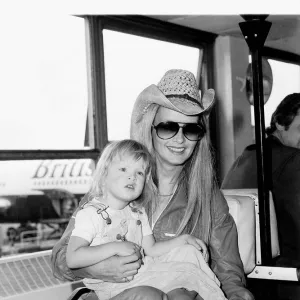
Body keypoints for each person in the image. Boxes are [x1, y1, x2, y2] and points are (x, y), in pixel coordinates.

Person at [52, 69, 254, 300]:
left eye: (191, 129)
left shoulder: (207, 196)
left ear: (200, 136)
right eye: (168, 127)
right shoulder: (117, 185)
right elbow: (60, 259)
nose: (180, 139)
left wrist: (238, 294)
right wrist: (95, 268)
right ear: (151, 128)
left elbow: (227, 268)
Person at [66, 139, 227, 300]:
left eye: (140, 173)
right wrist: (114, 247)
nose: (132, 177)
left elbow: (151, 249)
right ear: (104, 172)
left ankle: (197, 290)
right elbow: (73, 258)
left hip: (143, 272)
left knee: (189, 252)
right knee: (183, 277)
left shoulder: (137, 211)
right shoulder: (91, 213)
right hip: (113, 284)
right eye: (123, 169)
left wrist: (182, 240)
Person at [222, 93, 300, 300]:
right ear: (280, 123)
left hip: (248, 281)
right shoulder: (294, 160)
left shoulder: (243, 159)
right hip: (288, 279)